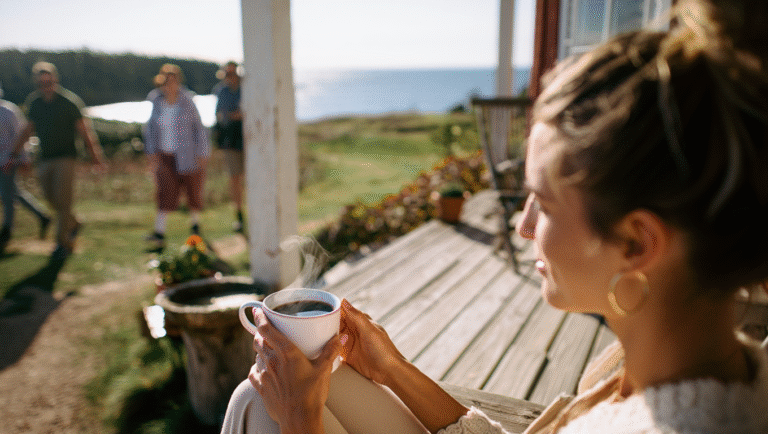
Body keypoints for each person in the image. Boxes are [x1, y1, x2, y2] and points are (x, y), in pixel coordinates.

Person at [223, 0, 768, 433]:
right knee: (272, 389)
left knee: (268, 405)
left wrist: (301, 424)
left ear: (636, 242)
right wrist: (393, 370)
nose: (522, 225)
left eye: (544, 203)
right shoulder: (667, 362)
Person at [11, 62, 105, 259]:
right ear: (37, 83)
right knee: (51, 200)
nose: (46, 85)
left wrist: (95, 156)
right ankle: (74, 222)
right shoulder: (35, 102)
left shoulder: (69, 102)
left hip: (66, 157)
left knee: (63, 200)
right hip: (45, 158)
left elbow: (84, 130)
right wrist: (14, 153)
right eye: (42, 82)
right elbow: (28, 130)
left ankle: (62, 244)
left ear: (55, 80)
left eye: (49, 81)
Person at [143, 63, 209, 252]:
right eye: (166, 81)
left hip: (187, 155)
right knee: (165, 192)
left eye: (173, 81)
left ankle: (195, 228)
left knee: (192, 191)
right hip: (165, 156)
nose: (170, 85)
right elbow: (151, 130)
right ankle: (159, 232)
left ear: (178, 81)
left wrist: (203, 153)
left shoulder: (187, 101)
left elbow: (199, 129)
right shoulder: (156, 102)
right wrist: (151, 153)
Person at [0, 83, 52, 255]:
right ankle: (42, 217)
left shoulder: (9, 111)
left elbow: (22, 135)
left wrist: (23, 158)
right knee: (14, 192)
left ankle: (7, 230)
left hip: (8, 160)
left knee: (8, 195)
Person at [214, 61, 246, 233]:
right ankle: (239, 215)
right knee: (234, 179)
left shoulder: (247, 88)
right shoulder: (222, 91)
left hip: (249, 140)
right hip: (231, 141)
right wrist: (237, 115)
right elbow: (221, 115)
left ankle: (254, 210)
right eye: (227, 74)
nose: (230, 77)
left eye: (233, 74)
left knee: (251, 178)